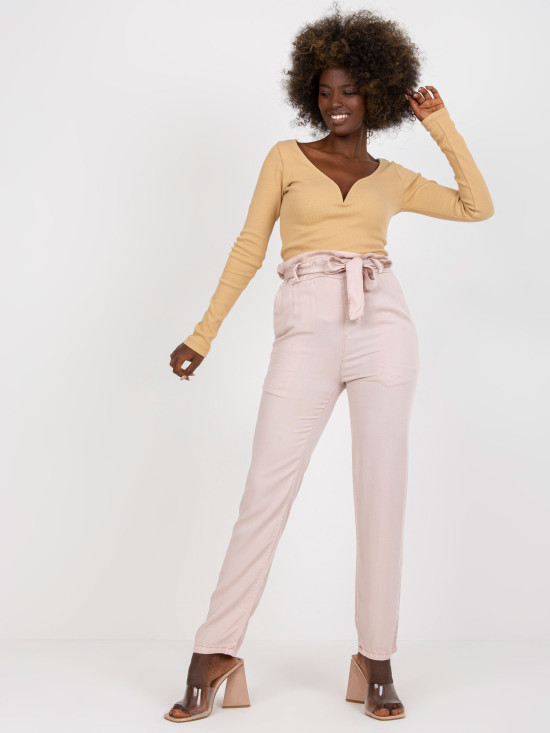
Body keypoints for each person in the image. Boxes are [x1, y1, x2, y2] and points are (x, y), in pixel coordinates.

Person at [165, 5, 494, 723]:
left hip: (383, 324)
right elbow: (249, 247)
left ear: (375, 93)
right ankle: (214, 652)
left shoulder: (393, 177)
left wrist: (440, 124)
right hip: (306, 322)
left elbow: (478, 207)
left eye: (349, 90)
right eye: (324, 91)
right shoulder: (286, 158)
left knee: (382, 495)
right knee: (265, 491)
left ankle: (376, 658)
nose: (335, 102)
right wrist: (203, 334)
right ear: (308, 94)